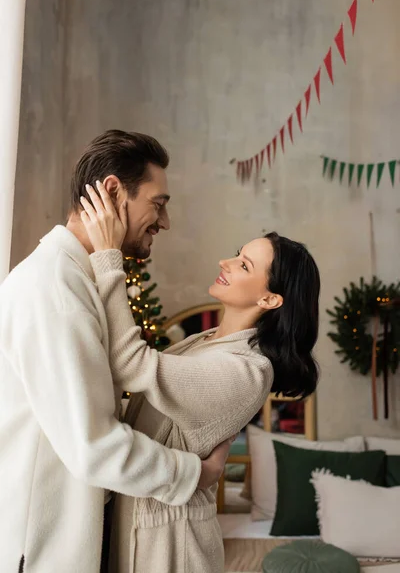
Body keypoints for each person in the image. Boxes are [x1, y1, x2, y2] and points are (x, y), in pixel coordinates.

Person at [0, 130, 232, 573]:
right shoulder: (54, 288)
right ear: (112, 192)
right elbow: (94, 447)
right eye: (158, 204)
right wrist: (195, 475)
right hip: (40, 554)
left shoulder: (77, 281)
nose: (164, 222)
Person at [79, 181, 321, 573]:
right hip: (139, 527)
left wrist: (109, 256)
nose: (226, 262)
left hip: (173, 550)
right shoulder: (205, 341)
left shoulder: (248, 370)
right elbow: (144, 398)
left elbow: (132, 365)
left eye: (244, 265)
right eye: (237, 255)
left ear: (269, 299)